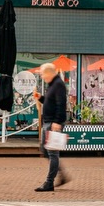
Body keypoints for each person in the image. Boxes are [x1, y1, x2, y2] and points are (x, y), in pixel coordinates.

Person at [34, 62, 69, 192]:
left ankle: (49, 182)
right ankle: (61, 174)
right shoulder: (53, 85)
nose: (42, 76)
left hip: (52, 123)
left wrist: (57, 122)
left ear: (49, 73)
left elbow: (61, 104)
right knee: (45, 150)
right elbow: (52, 102)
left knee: (52, 153)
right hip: (48, 122)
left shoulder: (58, 84)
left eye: (43, 74)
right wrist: (41, 98)